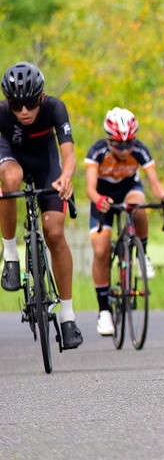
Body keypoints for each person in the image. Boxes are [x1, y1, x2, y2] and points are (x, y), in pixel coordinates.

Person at [0, 62, 83, 349]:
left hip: (45, 163)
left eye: (31, 103)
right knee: (11, 180)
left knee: (55, 233)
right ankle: (11, 255)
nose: (24, 111)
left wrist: (66, 177)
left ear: (42, 97)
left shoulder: (55, 108)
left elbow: (68, 155)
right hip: (11, 158)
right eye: (16, 104)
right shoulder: (1, 114)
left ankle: (68, 316)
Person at [85, 107, 164, 336]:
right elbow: (89, 188)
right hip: (103, 197)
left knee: (138, 205)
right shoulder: (97, 151)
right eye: (119, 145)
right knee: (101, 251)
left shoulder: (141, 150)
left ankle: (141, 254)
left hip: (128, 190)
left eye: (129, 144)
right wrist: (99, 200)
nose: (125, 150)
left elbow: (154, 183)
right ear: (108, 140)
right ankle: (104, 311)